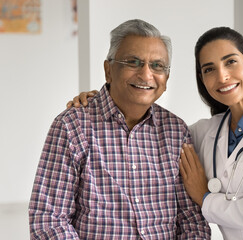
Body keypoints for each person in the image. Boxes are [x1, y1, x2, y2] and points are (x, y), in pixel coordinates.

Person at [70, 27, 243, 239]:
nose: (222, 76)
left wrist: (205, 199)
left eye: (230, 62)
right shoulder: (202, 134)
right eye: (209, 69)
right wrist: (103, 99)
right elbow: (150, 134)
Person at [29, 19, 211, 239]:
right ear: (108, 70)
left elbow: (191, 219)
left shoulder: (176, 131)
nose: (146, 74)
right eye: (132, 62)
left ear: (166, 78)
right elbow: (49, 220)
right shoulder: (72, 126)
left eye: (157, 65)